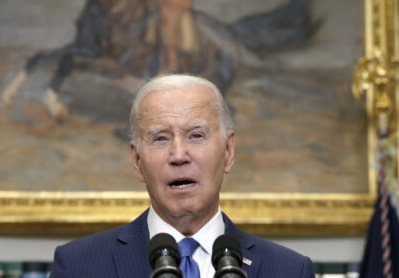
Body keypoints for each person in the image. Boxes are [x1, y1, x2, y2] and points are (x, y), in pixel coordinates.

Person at [50, 74, 314, 277]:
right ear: (137, 160)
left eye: (196, 136)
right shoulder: (78, 266)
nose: (178, 155)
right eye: (160, 138)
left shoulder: (289, 270)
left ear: (229, 152)